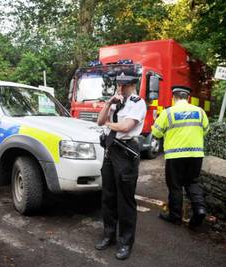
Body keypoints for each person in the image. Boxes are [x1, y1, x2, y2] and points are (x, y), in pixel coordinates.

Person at [95, 72, 147, 260]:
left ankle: (125, 242)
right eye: (118, 84)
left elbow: (126, 127)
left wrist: (109, 124)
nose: (120, 88)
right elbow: (99, 121)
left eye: (123, 85)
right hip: (111, 150)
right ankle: (108, 235)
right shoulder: (115, 101)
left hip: (126, 152)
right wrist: (109, 104)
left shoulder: (137, 102)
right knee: (108, 196)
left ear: (132, 84)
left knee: (125, 200)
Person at [151, 85, 209, 228]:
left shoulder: (168, 113)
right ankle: (200, 210)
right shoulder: (200, 111)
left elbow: (156, 134)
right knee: (192, 183)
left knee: (175, 186)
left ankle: (175, 217)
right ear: (188, 98)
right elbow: (206, 130)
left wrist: (155, 120)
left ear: (174, 97)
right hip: (196, 154)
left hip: (175, 156)